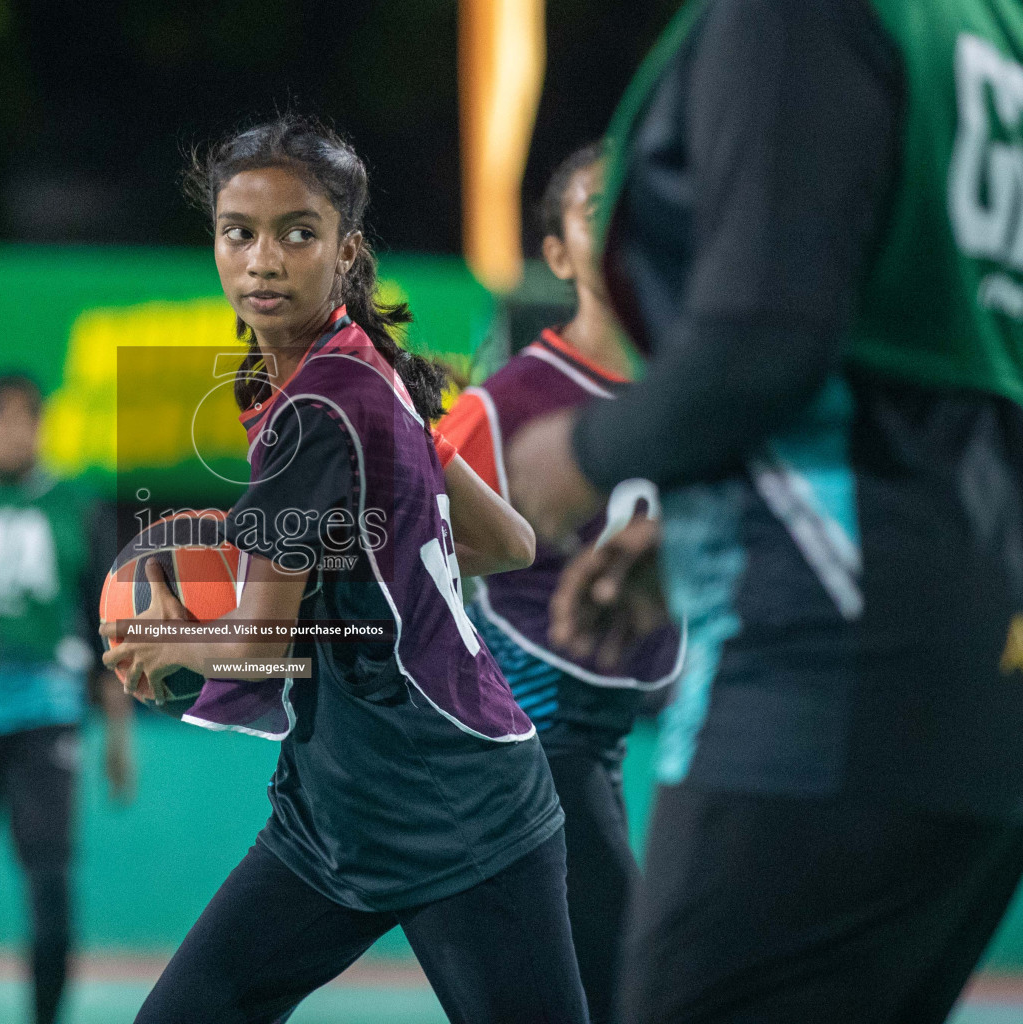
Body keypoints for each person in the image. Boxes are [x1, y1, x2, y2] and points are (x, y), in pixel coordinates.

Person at [502, 2, 1023, 1021]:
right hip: (981, 658)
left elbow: (763, 339)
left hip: (829, 666)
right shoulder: (986, 28)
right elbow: (937, 368)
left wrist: (582, 453)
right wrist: (701, 523)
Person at [103, 116, 589, 1024]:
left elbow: (256, 643)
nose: (262, 259)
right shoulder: (366, 374)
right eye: (237, 232)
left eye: (298, 233)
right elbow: (506, 540)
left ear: (346, 250)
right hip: (337, 813)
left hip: (452, 808)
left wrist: (168, 639)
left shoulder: (316, 412)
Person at [436, 142, 682, 1024]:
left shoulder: (702, 385)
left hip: (625, 741)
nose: (619, 218)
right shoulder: (499, 409)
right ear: (556, 254)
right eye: (592, 206)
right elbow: (405, 564)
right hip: (537, 748)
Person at [0, 371, 137, 1024]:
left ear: (39, 426)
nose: (10, 431)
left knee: (50, 882)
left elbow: (106, 625)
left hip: (43, 713)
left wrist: (118, 738)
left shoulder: (74, 504)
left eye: (23, 418)